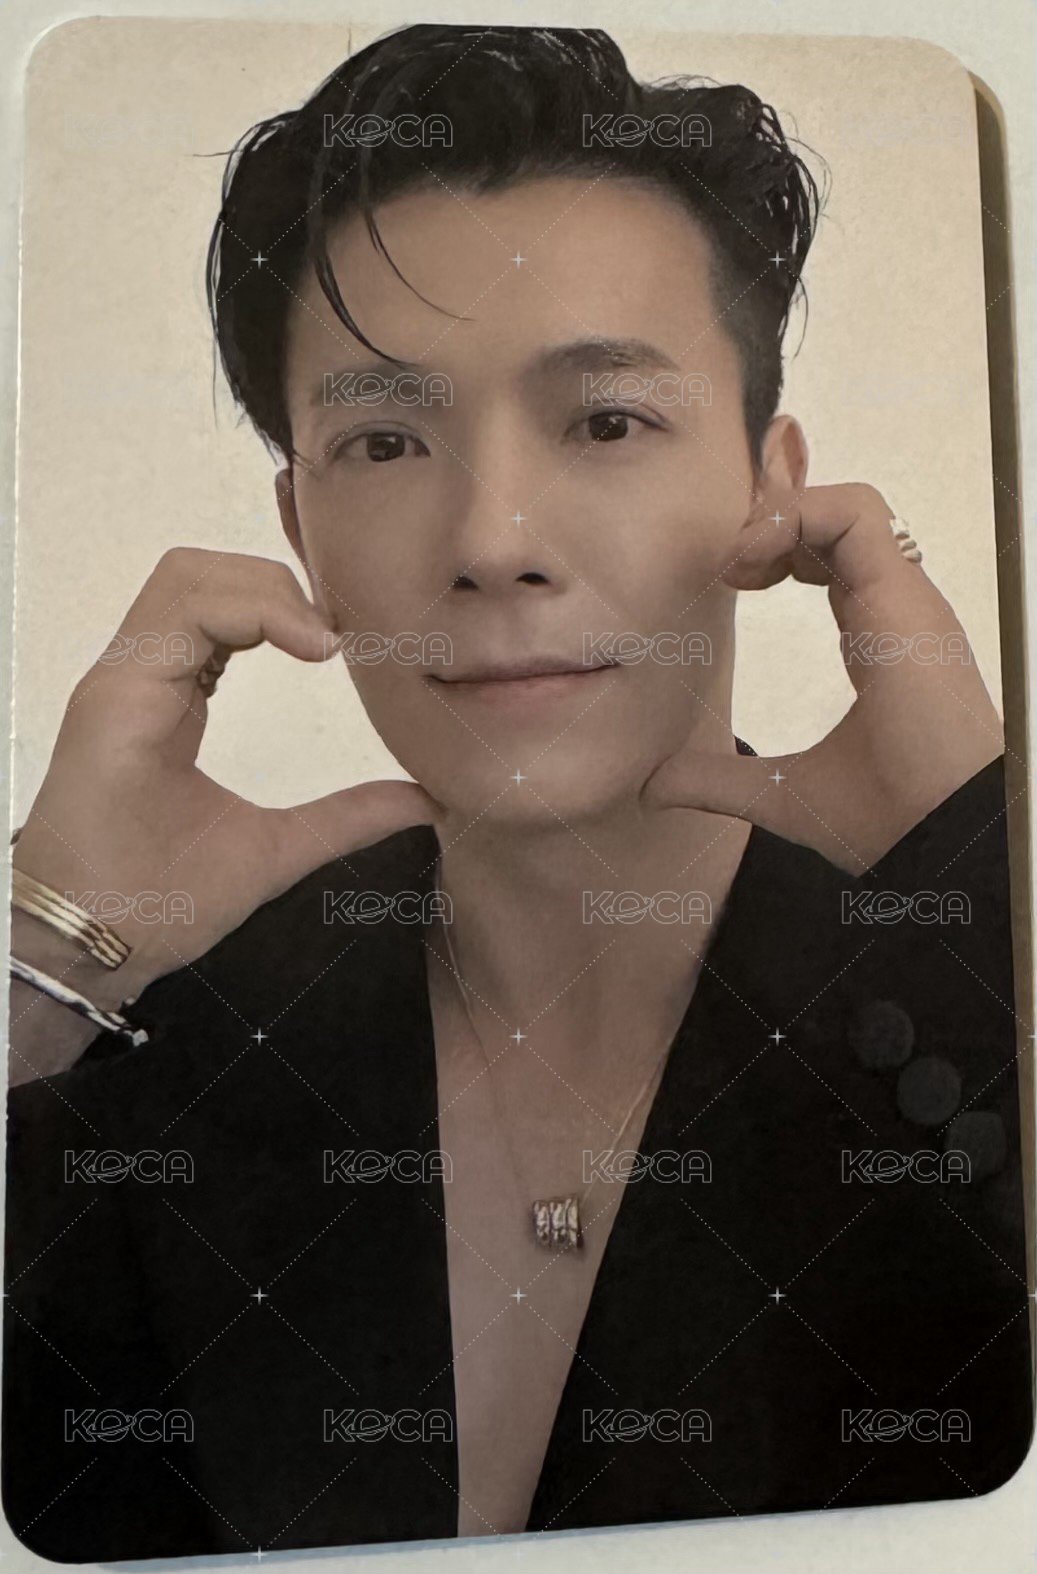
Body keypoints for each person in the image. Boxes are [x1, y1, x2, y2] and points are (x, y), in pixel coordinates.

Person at [4, 23, 1031, 1561]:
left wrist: (980, 876)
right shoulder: (149, 1051)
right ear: (299, 524)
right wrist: (43, 963)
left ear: (767, 484)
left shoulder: (967, 1005)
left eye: (605, 420)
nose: (491, 539)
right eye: (385, 438)